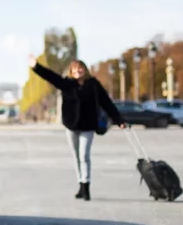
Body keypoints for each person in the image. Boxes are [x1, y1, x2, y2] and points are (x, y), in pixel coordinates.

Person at [29, 55, 126, 201]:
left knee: (84, 156)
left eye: (80, 68)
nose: (78, 70)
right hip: (71, 125)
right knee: (76, 156)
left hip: (88, 125)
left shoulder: (93, 84)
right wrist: (36, 67)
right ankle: (80, 184)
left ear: (85, 70)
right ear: (71, 71)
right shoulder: (67, 83)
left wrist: (118, 120)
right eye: (75, 68)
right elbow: (50, 76)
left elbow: (106, 102)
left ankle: (86, 186)